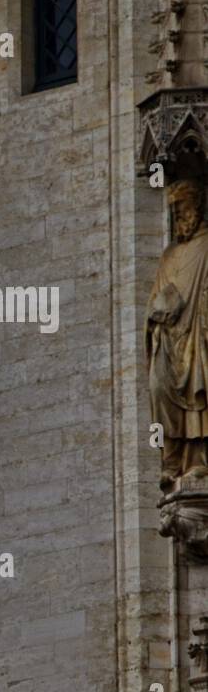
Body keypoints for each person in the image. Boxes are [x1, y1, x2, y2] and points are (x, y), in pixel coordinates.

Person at [147, 177, 208, 488]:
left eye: (181, 208)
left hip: (198, 334)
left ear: (196, 206)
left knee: (201, 390)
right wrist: (159, 313)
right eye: (173, 211)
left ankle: (198, 461)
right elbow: (156, 298)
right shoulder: (169, 255)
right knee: (158, 388)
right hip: (169, 338)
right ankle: (171, 461)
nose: (177, 217)